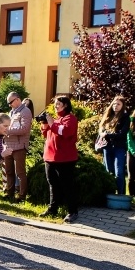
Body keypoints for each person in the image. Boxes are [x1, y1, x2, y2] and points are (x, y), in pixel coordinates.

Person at [39, 95, 79, 223]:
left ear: (65, 105)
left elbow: (65, 132)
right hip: (50, 157)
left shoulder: (70, 119)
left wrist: (51, 123)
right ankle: (53, 208)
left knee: (67, 185)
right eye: (55, 104)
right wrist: (44, 123)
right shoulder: (56, 120)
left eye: (58, 104)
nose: (55, 106)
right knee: (53, 184)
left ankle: (72, 211)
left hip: (65, 158)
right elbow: (45, 134)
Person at [3, 92, 32, 202]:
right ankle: (9, 193)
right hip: (9, 145)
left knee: (20, 173)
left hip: (20, 146)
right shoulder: (11, 112)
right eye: (8, 103)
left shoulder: (26, 111)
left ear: (17, 100)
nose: (9, 104)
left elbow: (24, 129)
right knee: (9, 171)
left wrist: (7, 130)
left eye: (11, 102)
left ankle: (22, 196)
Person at [98, 96, 130, 195]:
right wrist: (102, 133)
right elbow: (101, 129)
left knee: (119, 172)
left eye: (118, 104)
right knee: (109, 171)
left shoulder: (125, 118)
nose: (116, 106)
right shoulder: (108, 116)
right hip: (107, 147)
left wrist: (108, 135)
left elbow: (122, 134)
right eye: (114, 104)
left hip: (119, 147)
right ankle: (109, 194)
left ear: (122, 106)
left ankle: (120, 194)